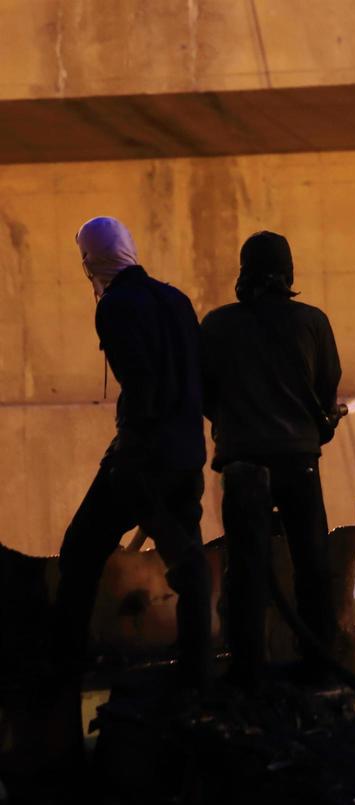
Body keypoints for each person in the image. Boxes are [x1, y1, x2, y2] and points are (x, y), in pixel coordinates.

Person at [55, 217, 211, 688]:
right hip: (188, 454)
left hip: (147, 459)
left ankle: (65, 664)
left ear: (91, 262)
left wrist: (129, 452)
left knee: (80, 549)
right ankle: (196, 668)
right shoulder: (177, 299)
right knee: (188, 562)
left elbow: (140, 384)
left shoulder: (116, 307)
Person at [201, 231, 343, 687]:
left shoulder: (218, 325)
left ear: (244, 274)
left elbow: (204, 395)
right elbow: (326, 391)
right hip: (298, 461)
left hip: (242, 464)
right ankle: (320, 666)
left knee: (245, 569)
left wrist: (237, 425)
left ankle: (247, 670)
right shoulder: (312, 322)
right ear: (289, 274)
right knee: (311, 565)